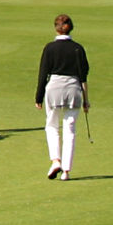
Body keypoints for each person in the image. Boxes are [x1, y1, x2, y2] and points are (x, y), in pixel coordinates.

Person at [37, 13, 90, 181]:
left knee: (52, 126)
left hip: (53, 89)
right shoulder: (78, 48)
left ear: (56, 28)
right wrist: (86, 100)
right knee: (70, 129)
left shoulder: (49, 48)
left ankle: (56, 161)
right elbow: (83, 76)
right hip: (73, 89)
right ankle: (66, 170)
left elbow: (43, 74)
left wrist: (38, 96)